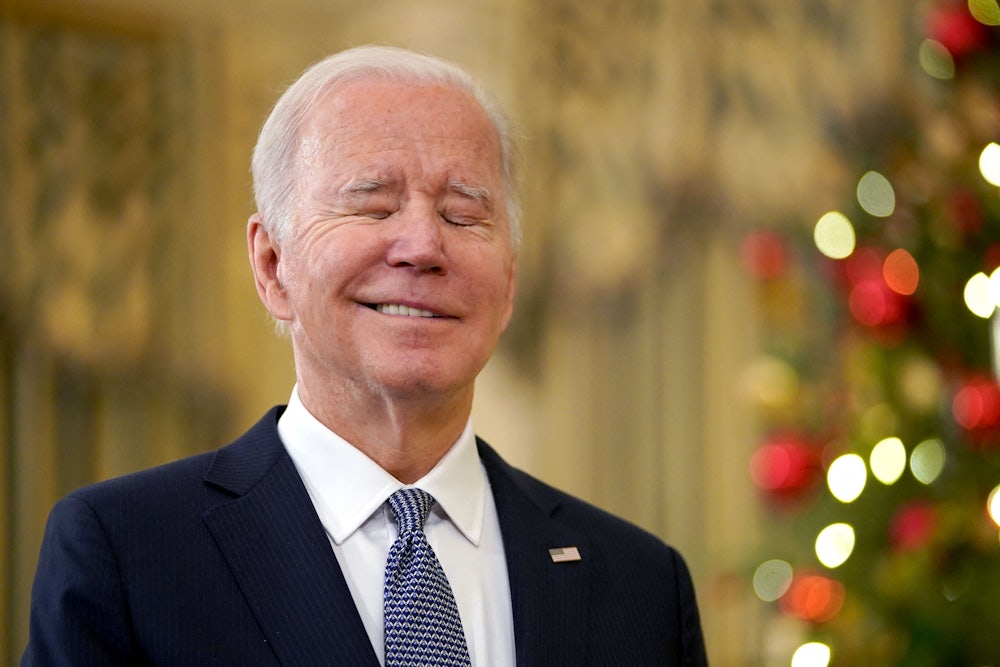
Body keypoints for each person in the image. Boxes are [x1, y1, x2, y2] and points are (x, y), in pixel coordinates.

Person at [22, 45, 708, 666]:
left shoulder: (640, 585)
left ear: (509, 285)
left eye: (463, 215)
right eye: (373, 206)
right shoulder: (127, 555)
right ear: (271, 264)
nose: (421, 246)